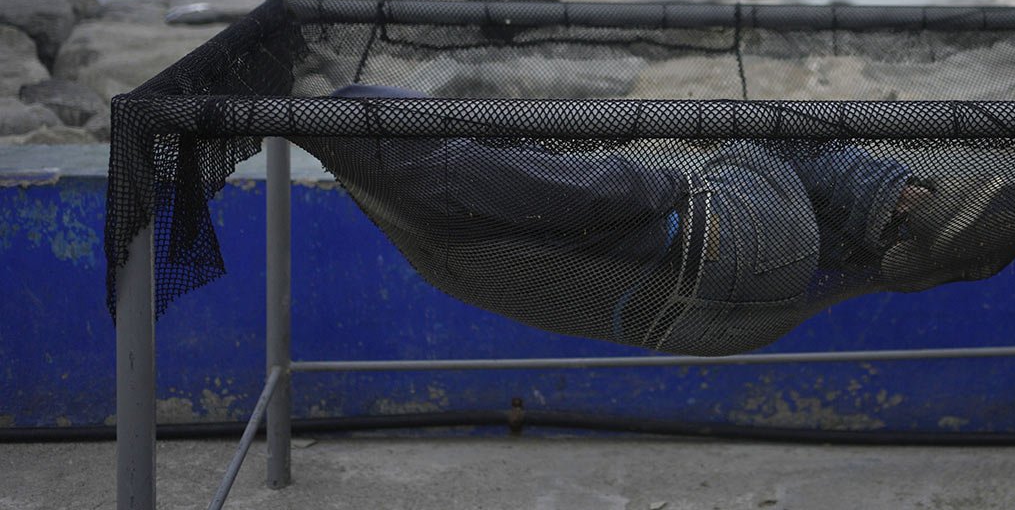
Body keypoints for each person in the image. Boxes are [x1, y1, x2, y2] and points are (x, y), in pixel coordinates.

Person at [313, 85, 941, 356]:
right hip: (731, 245)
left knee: (781, 193)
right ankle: (904, 203)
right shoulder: (450, 168)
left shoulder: (421, 233)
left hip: (702, 310)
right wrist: (672, 170)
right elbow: (592, 196)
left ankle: (878, 236)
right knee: (756, 133)